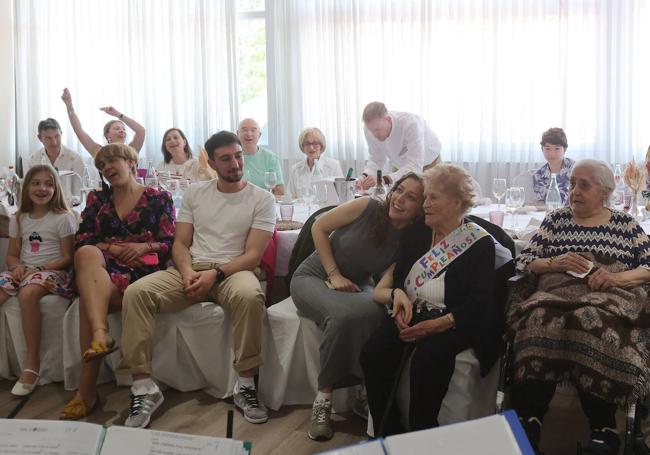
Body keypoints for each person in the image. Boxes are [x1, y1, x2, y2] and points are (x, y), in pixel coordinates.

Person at [116, 131, 275, 429]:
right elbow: (180, 244)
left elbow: (253, 255)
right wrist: (188, 272)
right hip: (191, 268)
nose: (235, 163)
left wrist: (215, 275)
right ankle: (143, 388)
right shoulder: (195, 193)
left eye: (238, 156)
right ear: (212, 163)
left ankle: (246, 385)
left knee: (250, 296)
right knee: (137, 292)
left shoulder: (262, 198)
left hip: (234, 271)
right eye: (226, 159)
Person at [508, 159, 650, 454]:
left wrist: (616, 276)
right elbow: (524, 260)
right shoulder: (555, 221)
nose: (574, 191)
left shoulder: (625, 225)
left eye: (583, 185)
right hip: (554, 293)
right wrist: (553, 263)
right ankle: (529, 420)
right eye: (572, 184)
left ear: (605, 192)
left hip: (605, 296)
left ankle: (604, 429)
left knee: (591, 319)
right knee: (539, 318)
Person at [360, 164, 498, 435]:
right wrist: (398, 305)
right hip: (413, 312)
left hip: (454, 320)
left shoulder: (480, 244)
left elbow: (479, 303)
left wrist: (438, 325)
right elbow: (400, 279)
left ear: (457, 202)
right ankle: (390, 433)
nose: (425, 204)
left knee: (428, 361)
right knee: (372, 353)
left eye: (433, 197)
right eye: (426, 197)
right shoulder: (417, 233)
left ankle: (423, 436)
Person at [290, 172, 425, 441]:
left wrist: (397, 295)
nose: (400, 198)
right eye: (399, 190)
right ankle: (323, 399)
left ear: (420, 208)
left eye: (411, 197)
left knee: (376, 312)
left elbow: (382, 288)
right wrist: (333, 273)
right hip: (315, 275)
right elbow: (318, 226)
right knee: (342, 317)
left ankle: (364, 392)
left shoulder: (409, 240)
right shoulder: (367, 206)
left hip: (356, 285)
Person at [59, 143, 175, 420]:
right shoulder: (97, 200)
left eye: (113, 160)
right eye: (102, 165)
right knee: (87, 253)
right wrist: (112, 248)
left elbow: (170, 242)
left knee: (90, 302)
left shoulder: (159, 197)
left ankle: (85, 391)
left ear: (131, 162)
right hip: (103, 270)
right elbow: (83, 239)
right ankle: (102, 334)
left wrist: (143, 248)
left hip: (141, 274)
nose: (108, 167)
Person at [0, 165, 77, 396]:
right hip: (25, 271)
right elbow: (12, 255)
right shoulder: (19, 218)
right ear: (26, 187)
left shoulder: (63, 218)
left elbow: (68, 257)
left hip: (54, 273)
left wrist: (39, 268)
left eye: (48, 183)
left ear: (56, 189)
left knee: (29, 292)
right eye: (36, 183)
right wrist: (17, 267)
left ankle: (31, 365)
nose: (42, 188)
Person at [357, 102, 441, 190]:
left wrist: (384, 180)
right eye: (371, 130)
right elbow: (376, 160)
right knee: (396, 199)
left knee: (431, 198)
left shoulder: (411, 124)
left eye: (377, 129)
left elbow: (415, 166)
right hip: (401, 165)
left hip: (430, 162)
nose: (374, 135)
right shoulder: (369, 129)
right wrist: (364, 177)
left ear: (388, 119)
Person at [61, 88, 145, 158]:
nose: (122, 131)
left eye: (123, 129)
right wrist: (69, 106)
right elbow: (79, 131)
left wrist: (118, 114)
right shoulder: (99, 152)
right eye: (117, 128)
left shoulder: (131, 150)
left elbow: (141, 131)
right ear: (107, 135)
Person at [24, 118, 86, 196]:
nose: (54, 142)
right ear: (40, 138)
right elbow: (29, 188)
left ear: (61, 133)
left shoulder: (75, 158)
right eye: (48, 138)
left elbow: (80, 192)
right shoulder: (34, 159)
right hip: (42, 203)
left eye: (57, 136)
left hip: (68, 205)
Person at [286, 127, 343, 199]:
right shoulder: (295, 169)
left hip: (327, 209)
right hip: (302, 209)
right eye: (307, 144)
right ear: (302, 146)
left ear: (321, 145)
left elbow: (341, 194)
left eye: (315, 143)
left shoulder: (334, 166)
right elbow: (290, 197)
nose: (311, 147)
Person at [237, 118, 284, 195]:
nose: (249, 134)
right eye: (244, 130)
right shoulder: (231, 158)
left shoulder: (270, 157)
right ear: (237, 134)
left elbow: (279, 191)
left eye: (253, 130)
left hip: (263, 203)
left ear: (259, 135)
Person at [532, 127, 575, 204]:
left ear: (564, 149)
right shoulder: (538, 175)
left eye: (557, 148)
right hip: (550, 215)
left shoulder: (575, 169)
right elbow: (541, 203)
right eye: (547, 149)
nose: (552, 154)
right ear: (542, 149)